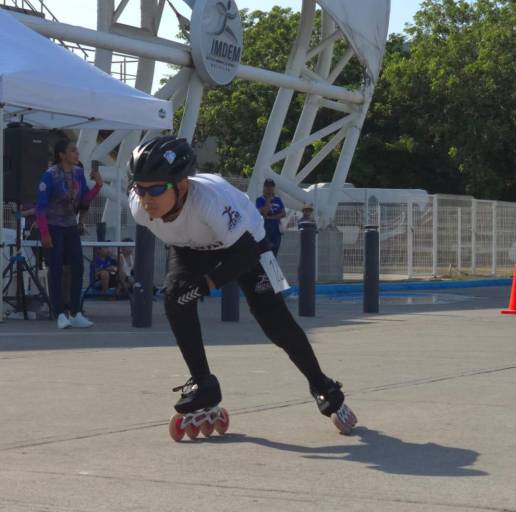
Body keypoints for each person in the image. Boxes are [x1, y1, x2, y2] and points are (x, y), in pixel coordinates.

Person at [127, 136, 357, 439]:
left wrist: (207, 284)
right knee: (175, 299)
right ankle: (203, 383)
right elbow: (181, 245)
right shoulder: (138, 207)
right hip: (191, 247)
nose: (146, 199)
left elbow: (246, 254)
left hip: (246, 245)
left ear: (182, 185)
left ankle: (322, 385)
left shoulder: (209, 202)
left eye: (156, 189)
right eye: (140, 188)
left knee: (275, 323)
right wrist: (189, 287)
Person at [36, 139, 102, 329]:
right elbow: (40, 207)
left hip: (71, 226)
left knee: (77, 268)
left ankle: (75, 312)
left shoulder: (78, 173)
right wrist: (44, 233)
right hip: (53, 226)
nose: (77, 154)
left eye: (76, 151)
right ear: (62, 155)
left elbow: (84, 200)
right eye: (73, 151)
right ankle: (59, 313)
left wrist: (98, 185)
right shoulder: (50, 175)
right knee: (56, 269)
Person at [256, 178, 286, 255]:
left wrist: (271, 217)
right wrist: (268, 200)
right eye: (267, 186)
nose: (269, 188)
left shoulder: (278, 199)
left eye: (271, 186)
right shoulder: (259, 200)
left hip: (276, 229)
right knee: (265, 252)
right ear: (264, 187)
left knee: (274, 252)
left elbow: (283, 213)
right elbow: (263, 213)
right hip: (265, 228)